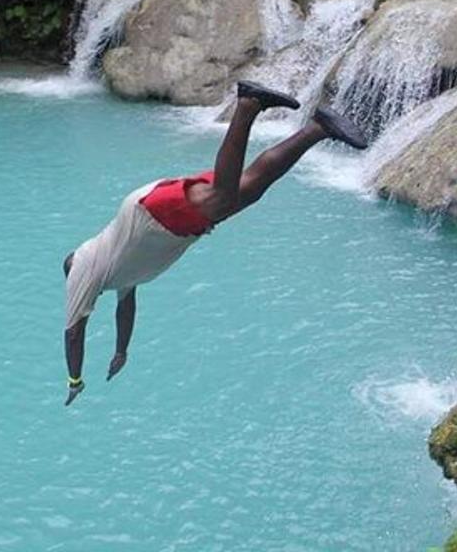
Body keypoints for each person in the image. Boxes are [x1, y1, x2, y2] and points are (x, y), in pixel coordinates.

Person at [62, 81, 369, 405]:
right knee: (248, 188)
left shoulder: (83, 268)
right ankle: (319, 128)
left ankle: (248, 104)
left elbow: (73, 333)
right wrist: (121, 351)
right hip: (159, 220)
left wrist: (75, 380)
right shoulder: (114, 273)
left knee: (224, 196)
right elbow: (126, 307)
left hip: (152, 217)